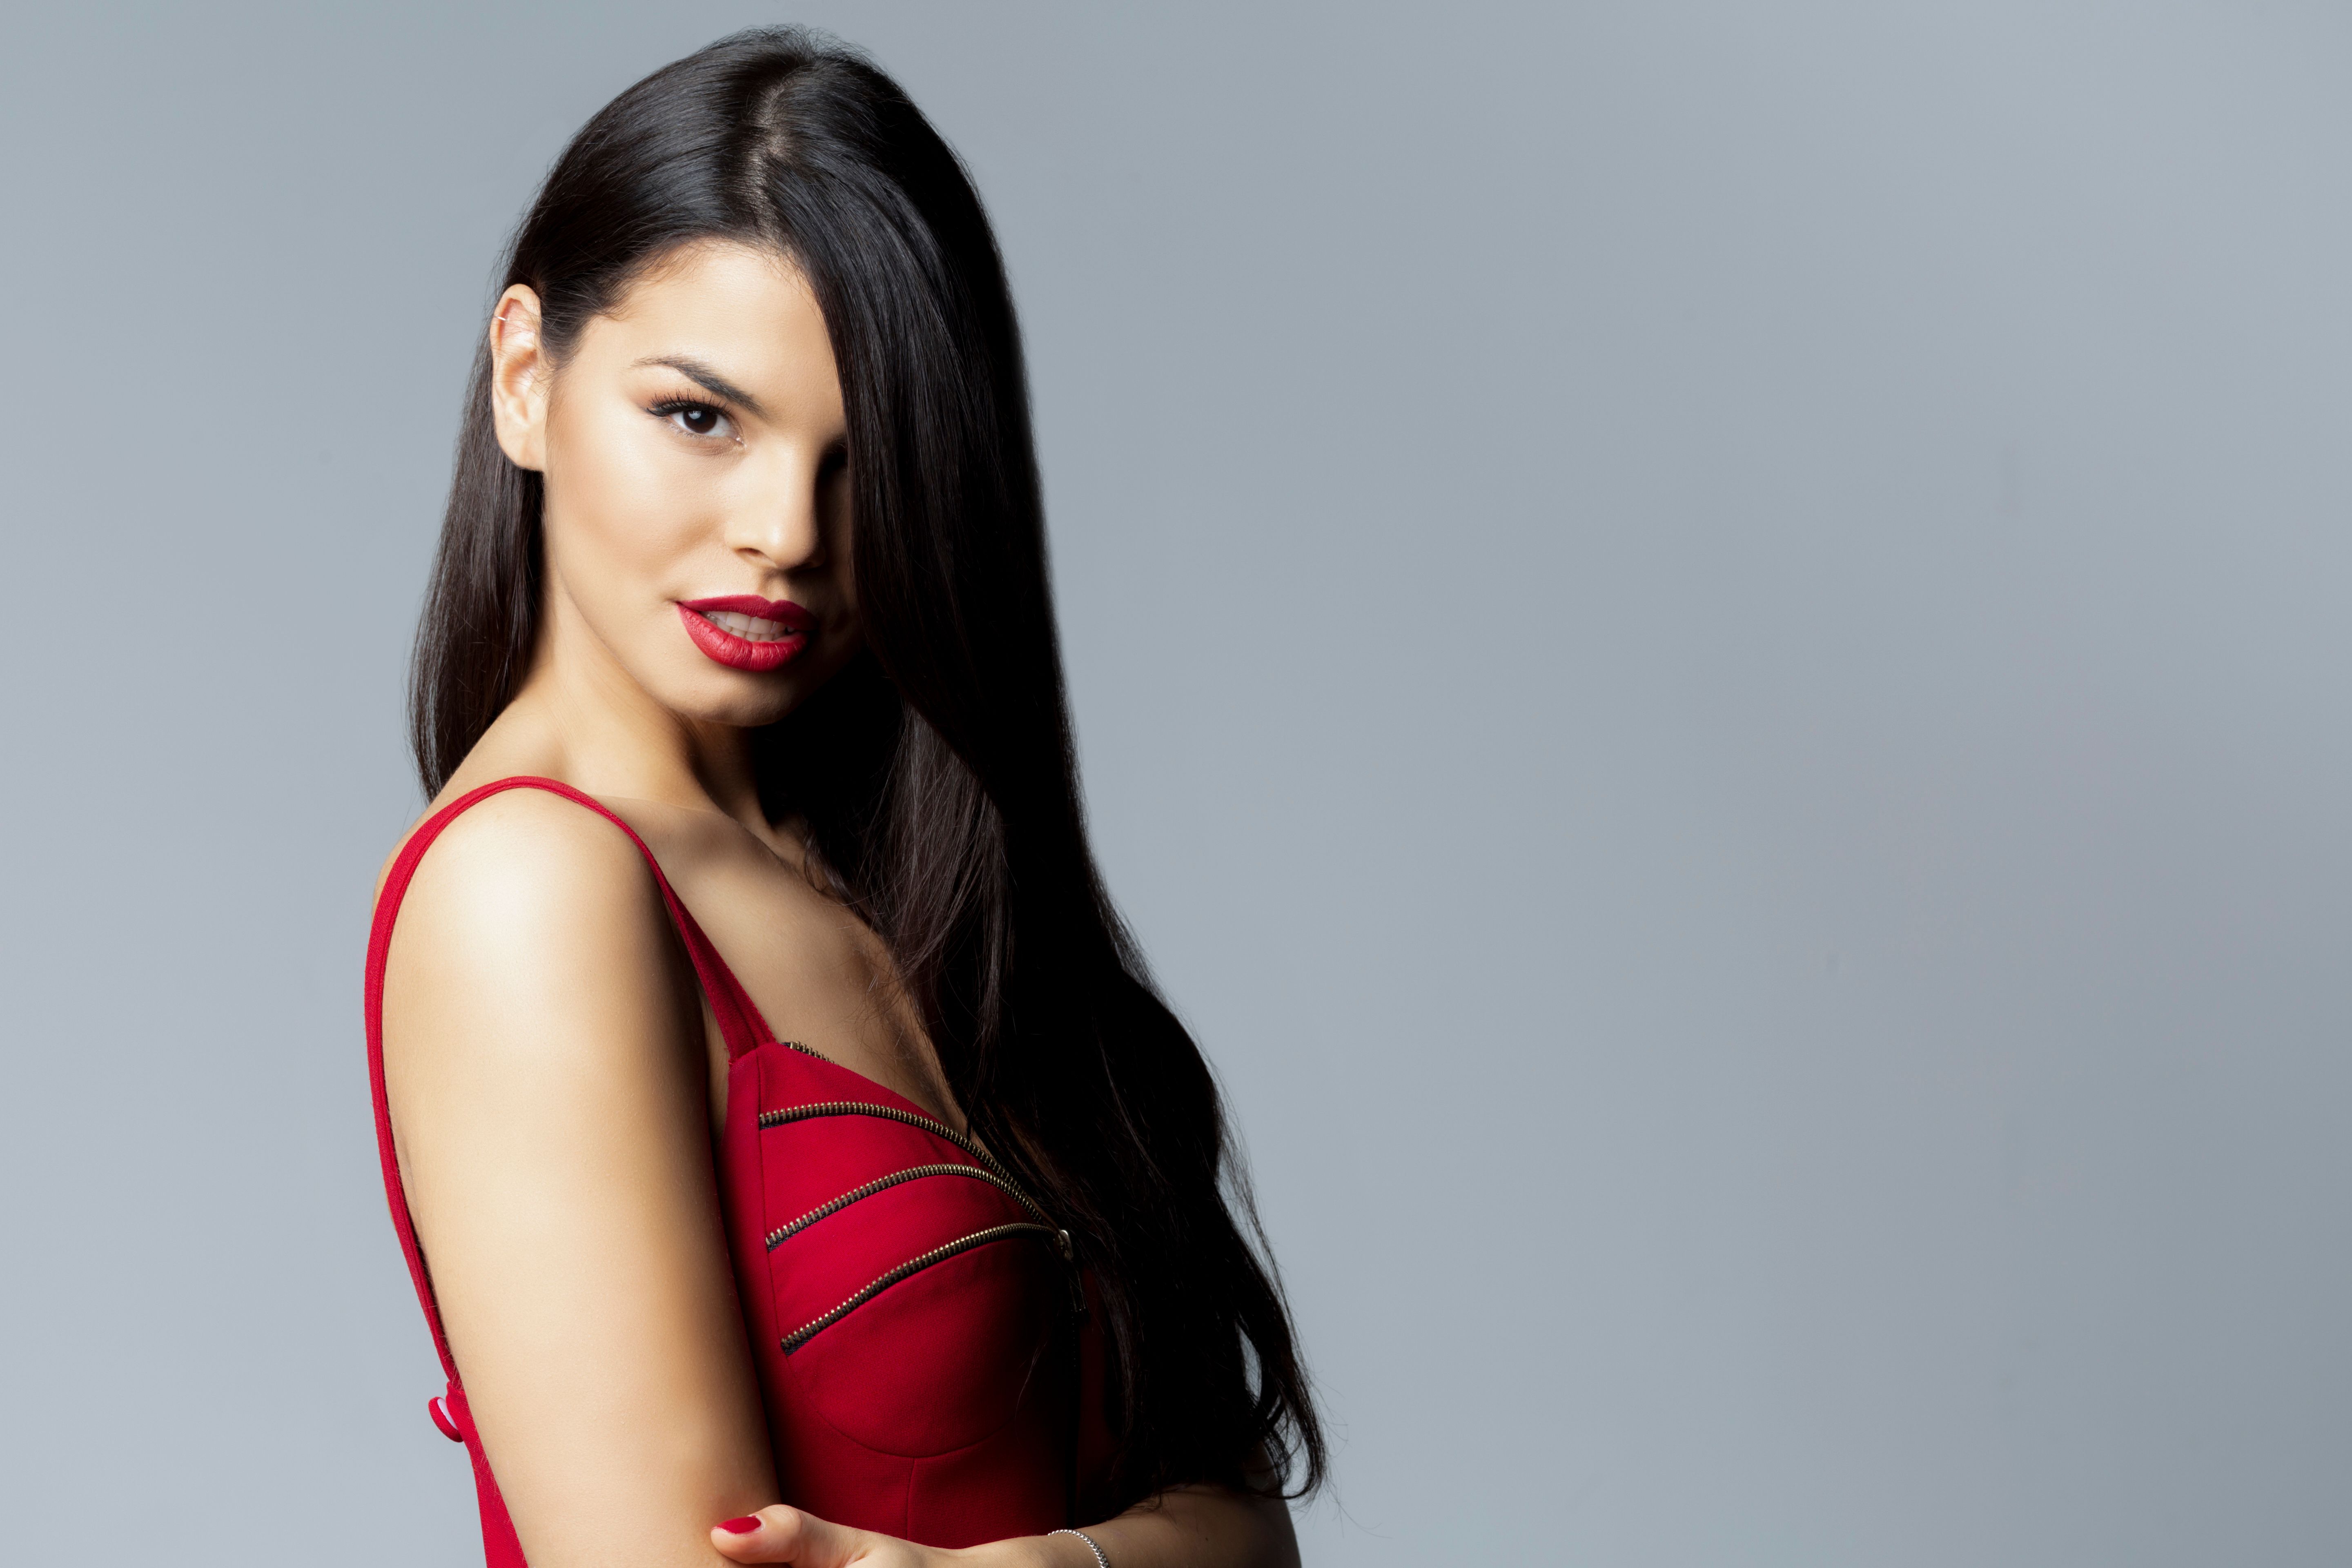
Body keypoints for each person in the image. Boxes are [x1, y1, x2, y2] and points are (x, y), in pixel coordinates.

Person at [362, 27, 1322, 1568]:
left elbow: (1252, 1530)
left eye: (865, 461)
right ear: (527, 380)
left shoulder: (918, 880)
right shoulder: (532, 892)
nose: (784, 535)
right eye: (700, 417)